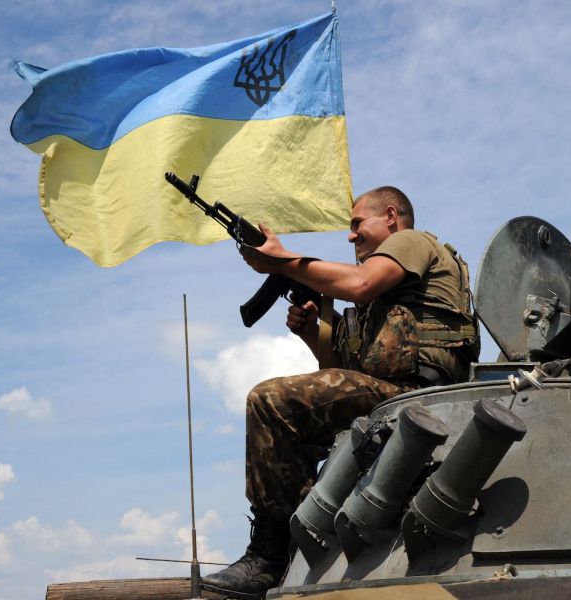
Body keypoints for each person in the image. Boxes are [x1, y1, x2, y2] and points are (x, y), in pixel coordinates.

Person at [201, 186, 479, 600]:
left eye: (356, 224)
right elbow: (342, 374)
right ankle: (297, 540)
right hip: (387, 397)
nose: (351, 236)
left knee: (270, 401)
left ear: (390, 216)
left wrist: (282, 261)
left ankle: (269, 557)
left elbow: (361, 284)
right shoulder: (383, 297)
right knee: (288, 422)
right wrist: (312, 333)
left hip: (417, 396)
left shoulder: (411, 242)